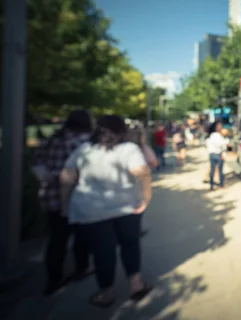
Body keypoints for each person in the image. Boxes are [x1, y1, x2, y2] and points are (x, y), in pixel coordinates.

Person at [60, 115, 153, 307]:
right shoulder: (128, 149)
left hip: (92, 211)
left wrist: (64, 205)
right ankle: (136, 284)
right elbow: (141, 171)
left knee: (103, 251)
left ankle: (106, 292)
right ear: (122, 131)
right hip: (127, 206)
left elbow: (66, 178)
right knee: (130, 244)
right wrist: (146, 196)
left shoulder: (83, 150)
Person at [32, 109, 94, 295]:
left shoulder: (51, 140)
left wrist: (49, 177)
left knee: (57, 240)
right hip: (78, 196)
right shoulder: (86, 142)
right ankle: (80, 269)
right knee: (81, 236)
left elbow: (35, 164)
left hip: (51, 196)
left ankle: (53, 280)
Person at [206, 121, 229, 190]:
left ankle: (211, 186)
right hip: (218, 154)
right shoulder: (218, 136)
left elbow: (208, 144)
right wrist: (226, 140)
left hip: (211, 154)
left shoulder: (210, 136)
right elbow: (223, 144)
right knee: (220, 171)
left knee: (212, 170)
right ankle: (221, 185)